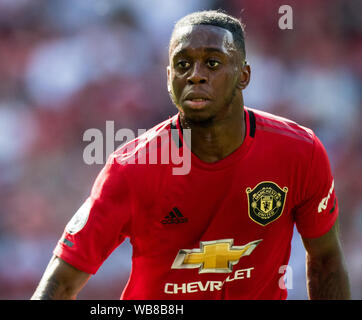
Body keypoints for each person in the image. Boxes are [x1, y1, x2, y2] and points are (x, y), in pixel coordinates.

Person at [31, 10, 351, 300]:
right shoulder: (131, 168)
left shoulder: (299, 152)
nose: (195, 75)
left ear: (244, 75)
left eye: (212, 62)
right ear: (169, 79)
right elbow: (61, 283)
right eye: (183, 64)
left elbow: (326, 261)